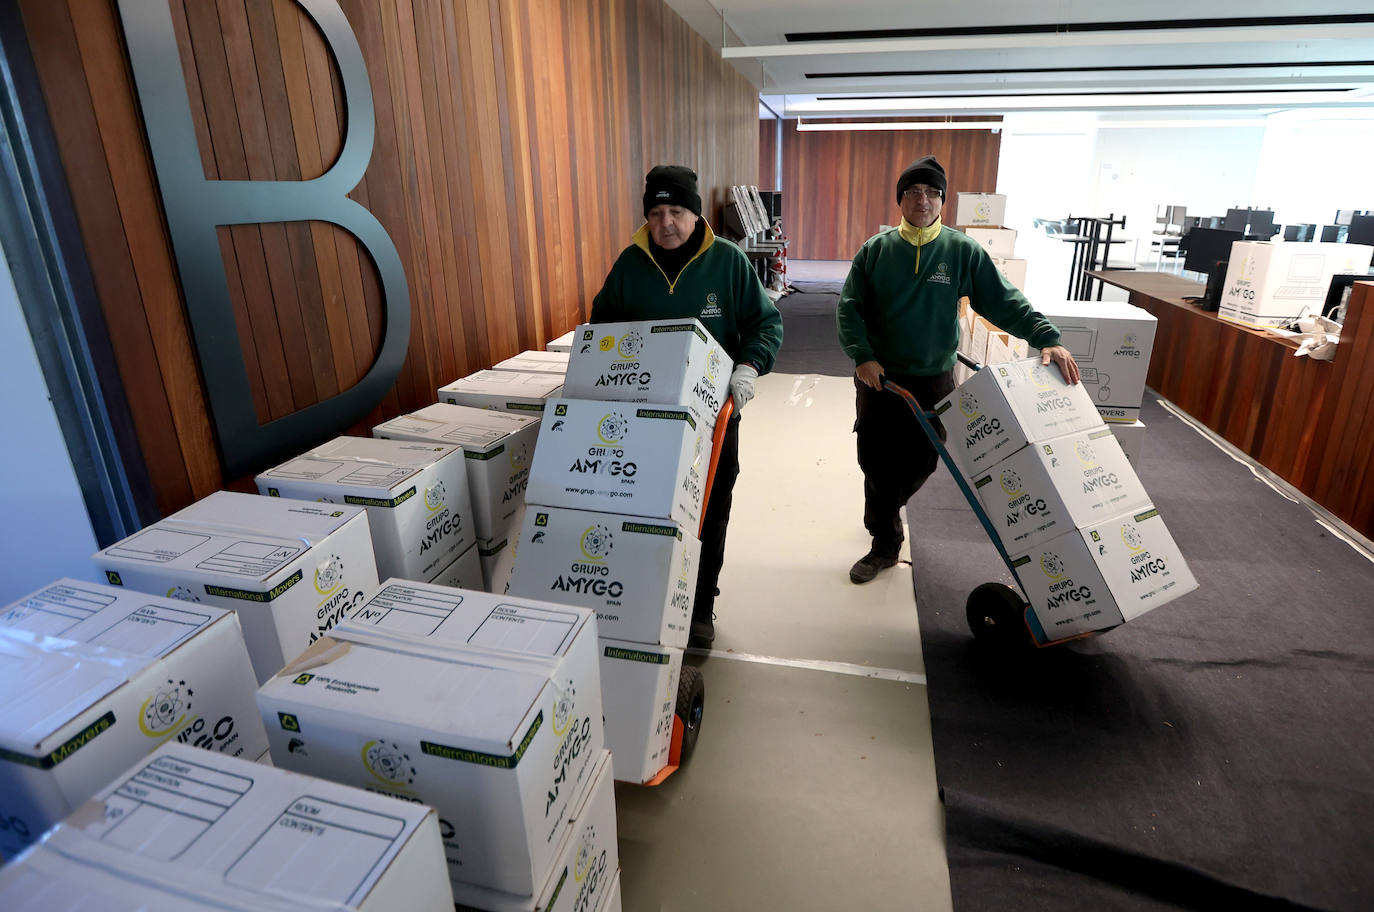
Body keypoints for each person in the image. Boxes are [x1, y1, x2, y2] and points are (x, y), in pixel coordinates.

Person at [836, 155, 1081, 584]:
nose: (923, 200)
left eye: (932, 193)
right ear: (901, 200)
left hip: (933, 377)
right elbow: (849, 308)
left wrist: (1047, 337)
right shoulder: (876, 251)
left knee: (922, 460)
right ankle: (884, 543)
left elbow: (1004, 302)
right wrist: (862, 355)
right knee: (875, 460)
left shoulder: (961, 251)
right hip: (880, 378)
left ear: (943, 201)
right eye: (913, 192)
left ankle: (887, 508)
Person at [590, 165, 783, 646]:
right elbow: (600, 331)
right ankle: (643, 596)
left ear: (695, 214)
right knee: (649, 510)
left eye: (677, 210)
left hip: (712, 416)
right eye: (655, 213)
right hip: (644, 418)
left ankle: (700, 606)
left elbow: (765, 323)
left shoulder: (728, 263)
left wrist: (749, 368)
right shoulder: (629, 266)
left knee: (710, 510)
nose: (666, 223)